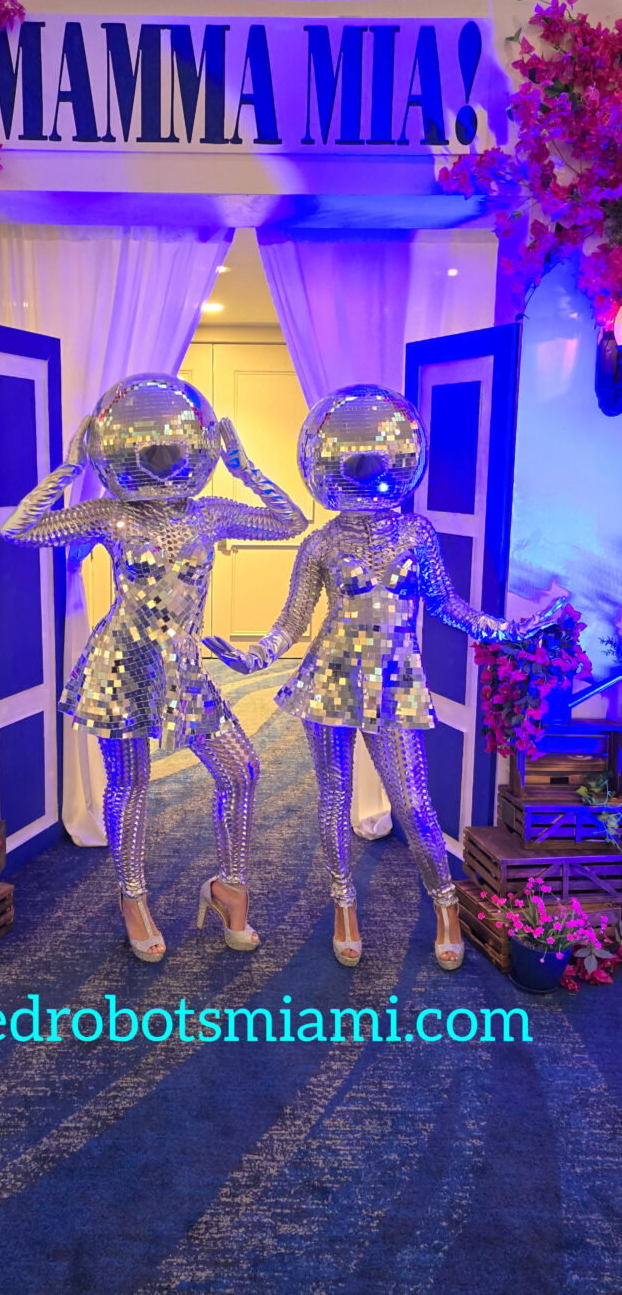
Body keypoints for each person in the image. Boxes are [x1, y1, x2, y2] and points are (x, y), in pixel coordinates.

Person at [205, 384, 563, 970]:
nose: (363, 471)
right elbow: (294, 619)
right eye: (351, 464)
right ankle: (344, 905)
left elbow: (448, 607)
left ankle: (445, 904)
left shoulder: (415, 534)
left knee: (415, 805)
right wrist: (254, 655)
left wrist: (509, 630)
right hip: (327, 682)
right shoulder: (318, 541)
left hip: (394, 685)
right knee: (334, 800)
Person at [2, 373, 307, 962]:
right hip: (121, 666)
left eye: (176, 454)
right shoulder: (112, 513)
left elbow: (291, 521)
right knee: (131, 784)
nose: (165, 465)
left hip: (184, 670)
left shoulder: (211, 512)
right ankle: (132, 898)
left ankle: (229, 887)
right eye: (153, 455)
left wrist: (245, 468)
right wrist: (69, 469)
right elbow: (20, 531)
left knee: (241, 770)